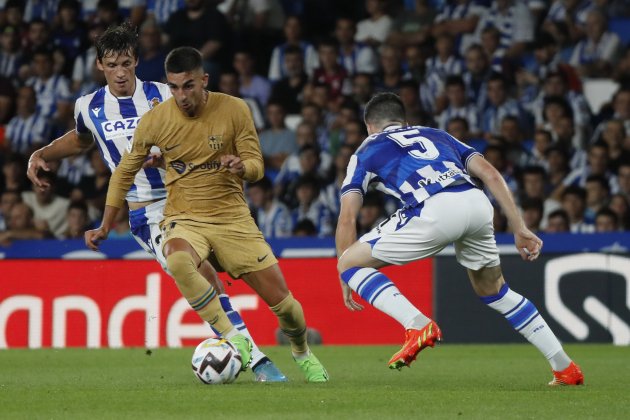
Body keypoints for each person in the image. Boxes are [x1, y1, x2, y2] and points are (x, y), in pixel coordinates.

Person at [26, 23, 286, 383]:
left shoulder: (164, 95)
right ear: (100, 65)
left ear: (136, 62)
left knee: (227, 275)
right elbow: (83, 139)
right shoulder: (88, 106)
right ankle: (255, 359)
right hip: (147, 213)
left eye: (127, 63)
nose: (120, 72)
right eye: (113, 64)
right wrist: (43, 153)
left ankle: (256, 335)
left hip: (193, 199)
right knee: (199, 272)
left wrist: (172, 158)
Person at [84, 46, 329, 382]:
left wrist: (243, 167)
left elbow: (257, 166)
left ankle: (301, 351)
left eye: (188, 86)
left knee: (286, 307)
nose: (180, 95)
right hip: (184, 217)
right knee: (178, 260)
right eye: (173, 87)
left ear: (204, 80)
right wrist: (105, 224)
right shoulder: (156, 120)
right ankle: (237, 338)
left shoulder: (234, 109)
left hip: (232, 219)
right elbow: (124, 172)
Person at [335, 92, 583, 385]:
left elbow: (348, 216)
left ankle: (417, 325)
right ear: (404, 120)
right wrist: (520, 227)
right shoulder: (437, 135)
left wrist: (345, 273)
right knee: (495, 291)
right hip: (476, 204)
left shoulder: (366, 150)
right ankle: (565, 368)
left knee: (349, 263)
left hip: (433, 209)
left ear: (369, 125)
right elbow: (489, 173)